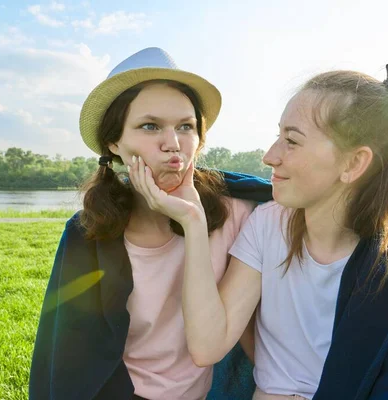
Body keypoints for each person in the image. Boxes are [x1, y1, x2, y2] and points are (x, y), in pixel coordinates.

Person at [130, 65, 388, 399]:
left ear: (354, 164)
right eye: (278, 136)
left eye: (292, 141)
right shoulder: (268, 226)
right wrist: (193, 223)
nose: (270, 156)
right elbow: (207, 346)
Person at [29, 47, 271, 400]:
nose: (172, 144)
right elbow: (67, 358)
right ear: (114, 142)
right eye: (149, 126)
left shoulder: (243, 211)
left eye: (186, 127)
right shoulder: (89, 233)